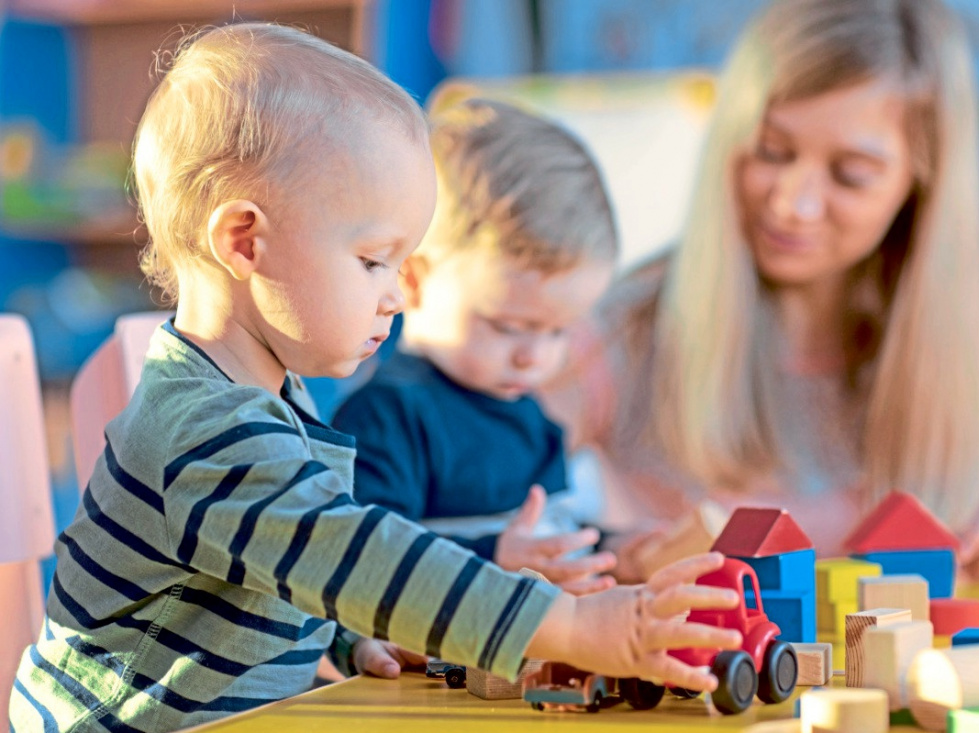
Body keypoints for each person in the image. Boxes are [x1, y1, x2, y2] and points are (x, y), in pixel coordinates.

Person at [9, 24, 742, 733]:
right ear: (245, 242)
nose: (395, 295)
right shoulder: (207, 431)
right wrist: (573, 626)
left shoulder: (270, 399)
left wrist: (349, 637)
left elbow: (283, 572)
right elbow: (351, 554)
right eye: (372, 261)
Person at [543, 0, 979, 580]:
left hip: (899, 646)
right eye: (771, 152)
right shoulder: (619, 333)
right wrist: (613, 553)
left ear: (920, 184)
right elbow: (489, 523)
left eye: (851, 175)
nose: (793, 205)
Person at [332, 98, 629, 595]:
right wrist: (493, 557)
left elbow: (551, 534)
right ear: (414, 281)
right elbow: (365, 561)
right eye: (509, 326)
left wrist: (615, 549)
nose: (534, 356)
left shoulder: (529, 416)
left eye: (558, 331)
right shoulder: (389, 417)